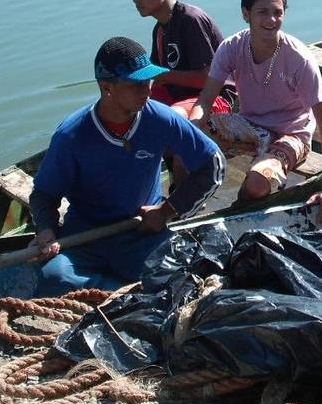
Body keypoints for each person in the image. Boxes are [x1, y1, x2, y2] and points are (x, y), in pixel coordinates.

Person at [29, 36, 225, 296]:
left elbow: (213, 164)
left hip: (141, 231)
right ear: (107, 87)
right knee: (54, 279)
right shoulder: (71, 135)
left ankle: (115, 291)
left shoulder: (160, 118)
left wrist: (166, 212)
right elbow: (43, 195)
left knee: (176, 274)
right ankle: (124, 292)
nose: (147, 91)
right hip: (86, 237)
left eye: (149, 82)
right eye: (136, 85)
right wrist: (46, 230)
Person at [189, 0, 322, 226]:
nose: (271, 20)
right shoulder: (231, 47)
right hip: (250, 124)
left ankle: (233, 214)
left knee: (257, 184)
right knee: (181, 135)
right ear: (246, 13)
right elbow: (205, 100)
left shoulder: (299, 59)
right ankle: (184, 205)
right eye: (262, 12)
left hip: (292, 134)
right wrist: (191, 132)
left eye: (277, 12)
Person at [126, 0, 231, 117]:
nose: (135, 0)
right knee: (130, 109)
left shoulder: (191, 19)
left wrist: (162, 75)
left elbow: (208, 78)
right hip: (180, 98)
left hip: (215, 98)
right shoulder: (159, 30)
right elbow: (157, 79)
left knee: (171, 115)